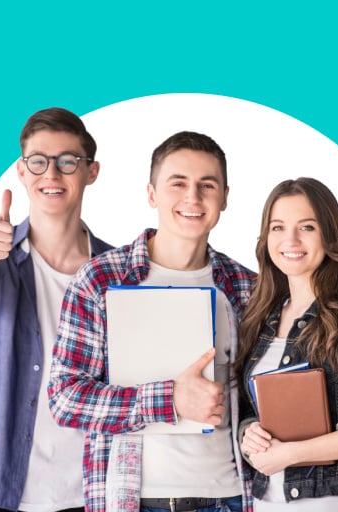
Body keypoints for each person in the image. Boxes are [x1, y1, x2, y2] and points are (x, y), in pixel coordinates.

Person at [48, 131, 255, 512]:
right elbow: (65, 399)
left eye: (207, 185)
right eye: (178, 183)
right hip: (136, 500)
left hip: (230, 497)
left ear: (225, 197)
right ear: (151, 193)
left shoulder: (246, 287)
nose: (192, 197)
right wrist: (169, 399)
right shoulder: (101, 280)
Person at [0, 107, 112, 512]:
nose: (51, 174)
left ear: (91, 171)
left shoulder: (114, 271)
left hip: (91, 488)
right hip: (2, 487)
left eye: (68, 161)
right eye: (38, 161)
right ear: (21, 170)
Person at [235, 177, 338, 511]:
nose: (290, 239)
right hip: (267, 502)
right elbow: (248, 412)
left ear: (328, 234)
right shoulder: (257, 320)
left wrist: (291, 454)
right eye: (278, 227)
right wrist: (248, 434)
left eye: (307, 227)